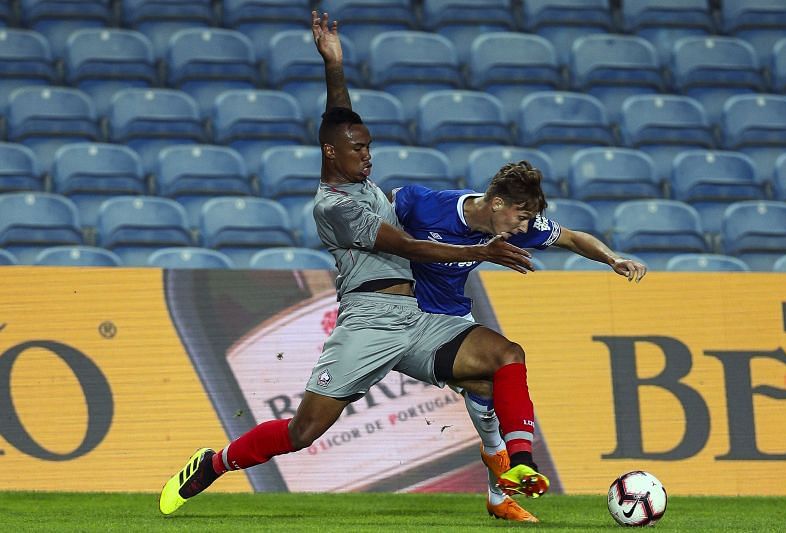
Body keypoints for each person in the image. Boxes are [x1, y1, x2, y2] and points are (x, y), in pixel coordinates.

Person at [158, 11, 549, 516]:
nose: (367, 157)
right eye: (358, 150)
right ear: (331, 155)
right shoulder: (334, 207)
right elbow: (406, 247)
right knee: (303, 432)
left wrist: (334, 65)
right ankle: (214, 463)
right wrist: (480, 251)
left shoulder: (359, 181)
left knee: (504, 358)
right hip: (366, 324)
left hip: (415, 320)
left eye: (369, 148)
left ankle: (517, 466)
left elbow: (339, 119)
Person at [391, 163, 648, 522]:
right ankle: (502, 460)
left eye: (530, 219)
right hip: (391, 317)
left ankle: (501, 490)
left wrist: (612, 259)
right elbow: (369, 217)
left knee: (489, 386)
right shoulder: (423, 204)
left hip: (449, 320)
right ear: (496, 203)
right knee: (320, 419)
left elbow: (571, 238)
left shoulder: (513, 226)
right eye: (521, 217)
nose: (525, 228)